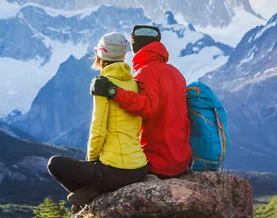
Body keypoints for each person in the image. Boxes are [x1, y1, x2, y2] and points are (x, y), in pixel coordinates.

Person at [48, 32, 148, 210]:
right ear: (123, 55)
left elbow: (98, 128)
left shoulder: (103, 84)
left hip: (115, 171)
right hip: (139, 167)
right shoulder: (134, 83)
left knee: (55, 164)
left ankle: (91, 196)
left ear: (101, 54)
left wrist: (91, 160)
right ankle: (91, 192)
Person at [90, 25, 192, 179]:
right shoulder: (176, 73)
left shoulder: (146, 72)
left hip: (158, 162)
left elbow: (147, 108)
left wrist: (112, 91)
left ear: (135, 46)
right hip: (181, 161)